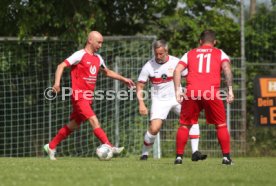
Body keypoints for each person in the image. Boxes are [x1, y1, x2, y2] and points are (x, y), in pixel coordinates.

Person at [44, 31, 135, 160]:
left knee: (73, 124)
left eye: (102, 43)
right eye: (99, 42)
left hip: (88, 97)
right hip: (79, 96)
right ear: (90, 40)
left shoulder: (98, 58)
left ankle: (51, 146)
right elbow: (61, 66)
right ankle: (109, 146)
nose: (101, 45)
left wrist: (123, 79)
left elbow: (107, 72)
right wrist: (57, 83)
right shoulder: (79, 55)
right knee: (93, 120)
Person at [137, 40, 207, 161]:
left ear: (166, 51)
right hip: (160, 100)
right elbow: (140, 85)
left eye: (161, 54)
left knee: (192, 119)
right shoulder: (149, 66)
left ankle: (195, 152)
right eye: (156, 54)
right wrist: (141, 104)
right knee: (154, 128)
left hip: (177, 97)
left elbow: (188, 77)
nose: (158, 56)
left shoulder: (176, 62)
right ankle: (144, 153)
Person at [173, 30, 234, 165]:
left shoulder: (190, 53)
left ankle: (178, 157)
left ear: (200, 42)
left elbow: (177, 70)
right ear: (214, 42)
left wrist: (178, 90)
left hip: (192, 92)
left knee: (184, 125)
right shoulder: (220, 53)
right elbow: (227, 69)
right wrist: (230, 90)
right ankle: (226, 157)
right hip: (211, 92)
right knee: (221, 124)